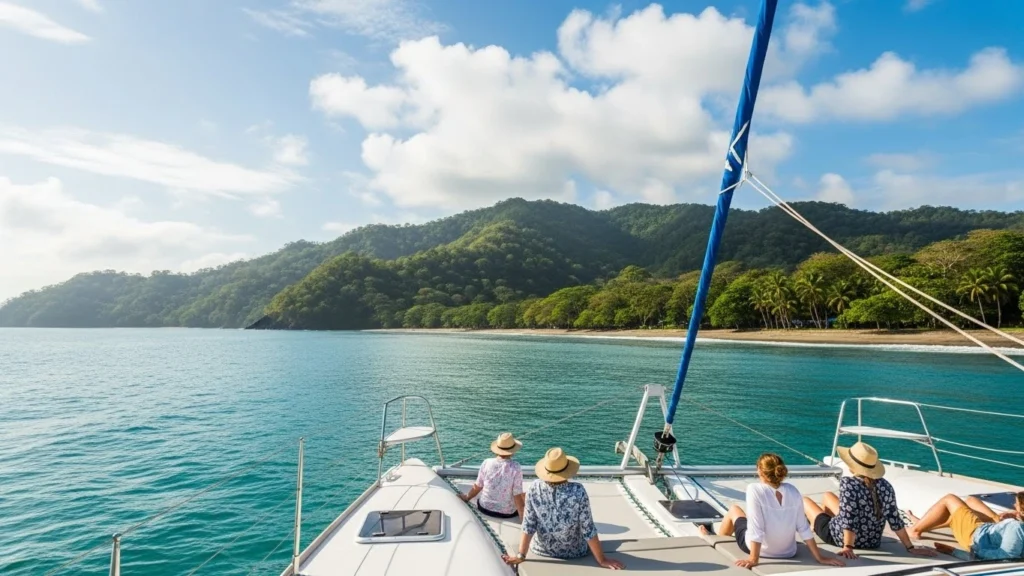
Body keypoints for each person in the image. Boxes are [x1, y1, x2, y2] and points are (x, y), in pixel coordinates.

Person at [700, 453, 844, 570]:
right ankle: (716, 537)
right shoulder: (793, 491)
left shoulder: (754, 489)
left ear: (760, 471)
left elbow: (757, 528)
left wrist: (753, 559)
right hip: (789, 552)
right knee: (748, 520)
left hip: (761, 551)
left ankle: (714, 539)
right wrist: (819, 557)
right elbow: (803, 528)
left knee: (734, 510)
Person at [802, 442, 937, 560]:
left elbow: (850, 518)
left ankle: (817, 527)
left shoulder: (848, 484)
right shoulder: (886, 486)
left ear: (852, 465)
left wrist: (848, 546)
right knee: (827, 495)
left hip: (840, 538)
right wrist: (910, 547)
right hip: (872, 541)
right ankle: (825, 523)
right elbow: (895, 519)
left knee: (805, 501)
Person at [502, 447, 625, 570]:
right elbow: (588, 529)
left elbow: (528, 524)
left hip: (542, 550)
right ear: (567, 470)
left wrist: (521, 555)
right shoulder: (578, 491)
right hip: (575, 551)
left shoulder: (534, 488)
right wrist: (602, 560)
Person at [907, 492, 1023, 560]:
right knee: (971, 501)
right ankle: (923, 523)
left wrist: (961, 552)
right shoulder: (1016, 525)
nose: (1013, 505)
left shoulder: (1015, 527)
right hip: (987, 530)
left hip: (975, 535)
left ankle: (915, 529)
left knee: (950, 499)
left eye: (1016, 504)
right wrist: (1012, 518)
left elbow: (1006, 556)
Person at [460, 432, 525, 519]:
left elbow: (478, 486)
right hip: (506, 513)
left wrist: (467, 497)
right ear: (512, 452)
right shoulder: (516, 467)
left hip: (484, 508)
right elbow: (517, 495)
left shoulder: (487, 462)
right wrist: (522, 518)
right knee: (525, 496)